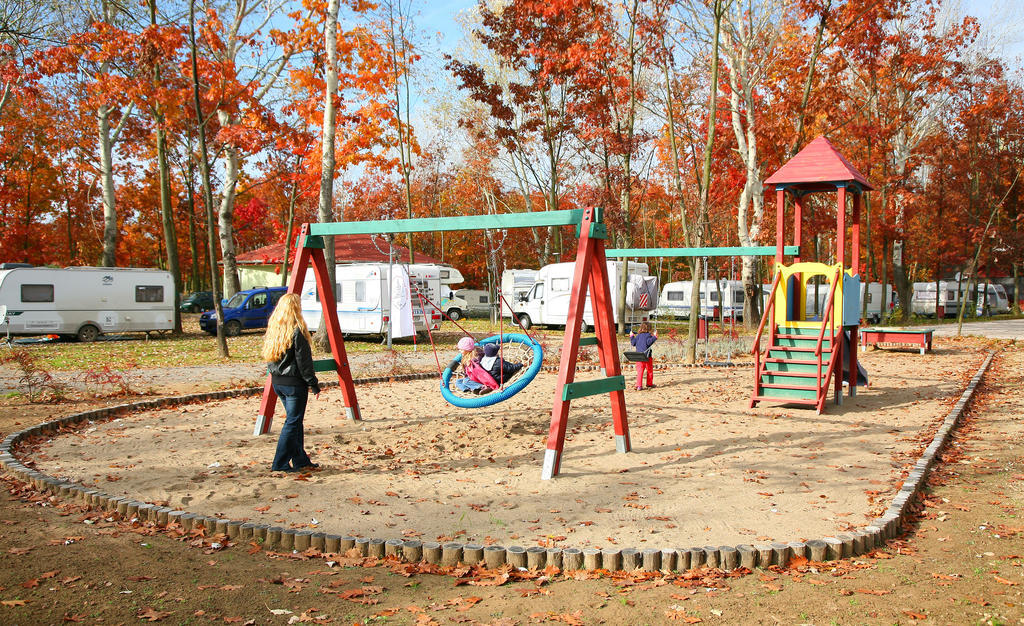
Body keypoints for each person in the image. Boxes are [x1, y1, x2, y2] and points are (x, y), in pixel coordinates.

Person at [262, 293, 321, 472]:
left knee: (295, 422)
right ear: (296, 308)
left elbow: (270, 359)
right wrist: (313, 383)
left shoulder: (275, 328)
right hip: (294, 384)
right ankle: (279, 463)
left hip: (278, 382)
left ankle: (300, 459)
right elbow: (304, 362)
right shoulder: (297, 330)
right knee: (293, 422)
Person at [629, 321, 657, 391]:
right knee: (649, 370)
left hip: (639, 356)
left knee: (640, 371)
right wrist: (655, 337)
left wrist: (632, 336)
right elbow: (648, 343)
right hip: (647, 356)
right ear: (649, 328)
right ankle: (649, 384)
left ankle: (639, 386)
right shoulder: (648, 335)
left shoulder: (638, 336)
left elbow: (633, 343)